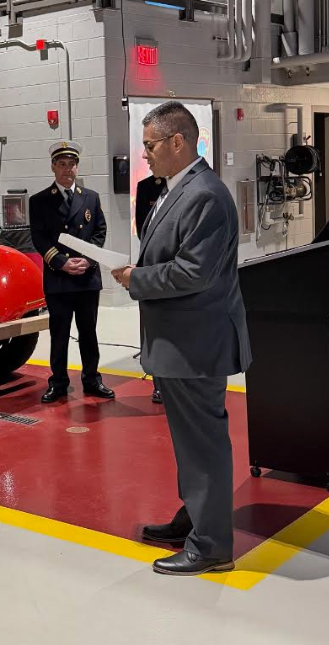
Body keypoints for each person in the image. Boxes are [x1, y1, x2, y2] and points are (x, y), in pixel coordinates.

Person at [111, 101, 251, 576]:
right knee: (191, 442)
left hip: (196, 344)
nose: (145, 155)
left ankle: (210, 546)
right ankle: (195, 516)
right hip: (181, 342)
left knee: (204, 443)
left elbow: (193, 272)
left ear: (178, 142)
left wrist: (136, 279)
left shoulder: (204, 195)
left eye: (150, 145)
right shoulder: (177, 189)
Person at [30, 141, 115, 403]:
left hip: (87, 277)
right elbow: (39, 238)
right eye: (62, 164)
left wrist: (88, 260)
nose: (68, 170)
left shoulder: (91, 197)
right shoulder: (40, 201)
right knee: (60, 332)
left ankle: (92, 380)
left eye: (72, 164)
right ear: (53, 167)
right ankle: (58, 382)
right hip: (59, 278)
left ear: (77, 167)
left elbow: (99, 231)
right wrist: (61, 263)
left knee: (88, 332)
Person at [134, 173, 167, 406]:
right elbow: (142, 229)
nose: (147, 155)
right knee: (152, 329)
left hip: (173, 269)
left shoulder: (185, 185)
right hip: (152, 267)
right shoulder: (146, 187)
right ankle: (159, 385)